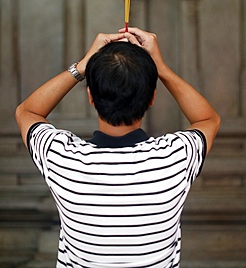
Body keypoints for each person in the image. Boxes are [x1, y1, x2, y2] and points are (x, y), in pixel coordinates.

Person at [15, 27, 220, 268]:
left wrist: (81, 67)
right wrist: (161, 69)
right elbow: (208, 120)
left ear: (91, 97)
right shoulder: (175, 158)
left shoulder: (62, 159)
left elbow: (27, 112)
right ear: (152, 98)